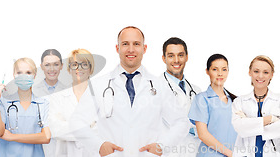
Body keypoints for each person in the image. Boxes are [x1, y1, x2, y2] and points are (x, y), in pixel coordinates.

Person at [69, 26, 190, 157]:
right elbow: (77, 122)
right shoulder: (99, 85)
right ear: (117, 48)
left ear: (144, 49)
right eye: (125, 44)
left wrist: (162, 146)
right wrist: (99, 145)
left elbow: (181, 122)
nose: (131, 49)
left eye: (136, 44)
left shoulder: (159, 85)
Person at [231, 55, 280, 157]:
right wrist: (270, 119)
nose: (260, 76)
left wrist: (248, 123)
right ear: (249, 72)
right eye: (256, 71)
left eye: (265, 72)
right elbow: (240, 128)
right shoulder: (239, 102)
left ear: (272, 75)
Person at [0, 57, 51, 157]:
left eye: (28, 73)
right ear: (14, 75)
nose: (24, 77)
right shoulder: (4, 101)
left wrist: (12, 137)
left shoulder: (42, 102)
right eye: (19, 73)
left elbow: (46, 137)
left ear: (35, 75)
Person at [48, 49, 99, 157]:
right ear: (69, 69)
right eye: (75, 64)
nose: (79, 68)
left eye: (84, 64)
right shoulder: (57, 96)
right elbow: (55, 129)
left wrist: (68, 127)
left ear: (91, 69)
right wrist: (88, 127)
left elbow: (102, 130)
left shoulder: (101, 97)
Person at [189, 54, 237, 157]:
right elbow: (203, 135)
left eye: (224, 69)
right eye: (215, 69)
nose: (220, 74)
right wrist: (230, 154)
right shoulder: (202, 99)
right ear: (207, 71)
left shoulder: (234, 101)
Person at [160, 37, 201, 156]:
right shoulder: (155, 89)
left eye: (180, 55)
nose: (176, 60)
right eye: (171, 56)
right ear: (164, 58)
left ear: (187, 57)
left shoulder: (196, 91)